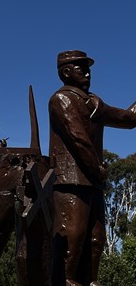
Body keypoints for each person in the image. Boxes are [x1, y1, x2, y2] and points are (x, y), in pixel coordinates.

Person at [49, 50, 136, 286]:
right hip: (71, 182)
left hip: (94, 184)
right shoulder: (62, 99)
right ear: (66, 72)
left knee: (96, 241)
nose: (87, 72)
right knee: (72, 239)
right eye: (81, 68)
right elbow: (78, 138)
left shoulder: (94, 102)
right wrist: (97, 169)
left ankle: (92, 282)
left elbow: (128, 119)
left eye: (88, 68)